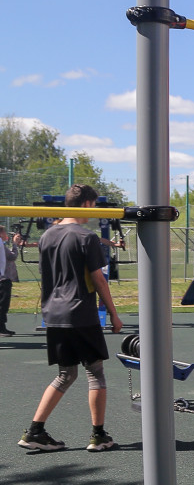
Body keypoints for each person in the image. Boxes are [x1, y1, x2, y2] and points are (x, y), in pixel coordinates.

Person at [18, 184, 123, 453]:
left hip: (54, 313)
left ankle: (35, 431)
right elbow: (99, 279)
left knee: (66, 374)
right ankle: (98, 436)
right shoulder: (86, 237)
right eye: (95, 205)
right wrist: (113, 313)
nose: (95, 211)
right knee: (95, 373)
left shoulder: (47, 237)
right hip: (80, 312)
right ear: (87, 204)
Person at [0, 224, 17, 336]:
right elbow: (11, 256)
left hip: (3, 278)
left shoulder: (2, 244)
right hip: (2, 279)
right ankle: (1, 328)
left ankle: (2, 327)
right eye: (4, 232)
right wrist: (15, 244)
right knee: (2, 305)